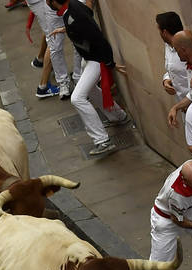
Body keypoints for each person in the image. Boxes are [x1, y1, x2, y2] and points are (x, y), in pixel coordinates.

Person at [45, 0, 129, 157]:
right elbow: (87, 18)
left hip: (96, 60)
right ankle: (118, 116)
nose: (46, 3)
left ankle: (102, 141)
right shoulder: (73, 6)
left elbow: (96, 36)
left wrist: (109, 62)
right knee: (89, 90)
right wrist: (66, 29)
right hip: (90, 58)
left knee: (77, 98)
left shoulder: (72, 14)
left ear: (53, 2)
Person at [156, 12, 192, 102]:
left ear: (165, 32)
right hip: (182, 104)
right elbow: (171, 69)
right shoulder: (168, 45)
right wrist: (166, 80)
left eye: (159, 30)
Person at [26, 0, 66, 99]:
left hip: (38, 2)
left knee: (50, 33)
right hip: (38, 2)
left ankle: (40, 59)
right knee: (53, 39)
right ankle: (43, 86)